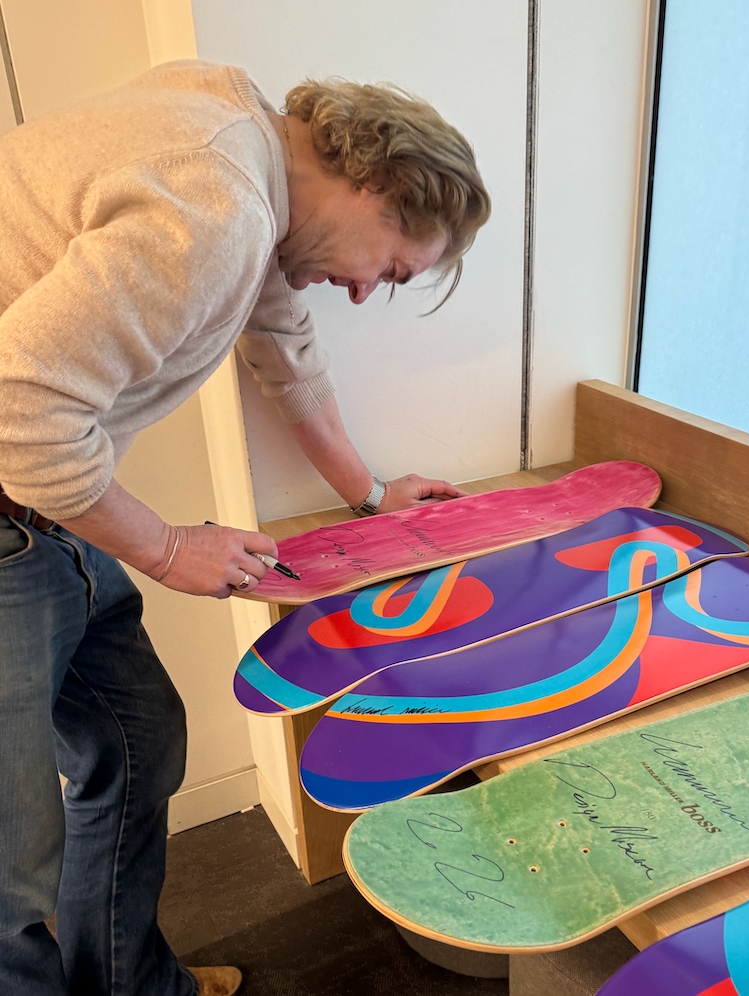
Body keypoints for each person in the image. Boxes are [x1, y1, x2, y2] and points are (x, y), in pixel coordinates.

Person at [0, 59, 491, 996]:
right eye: (388, 268)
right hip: (13, 497)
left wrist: (370, 494)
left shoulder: (240, 136)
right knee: (8, 864)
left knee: (138, 740)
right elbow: (19, 414)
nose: (361, 292)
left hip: (40, 513)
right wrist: (166, 547)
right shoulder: (213, 206)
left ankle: (132, 987)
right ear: (374, 184)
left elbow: (280, 335)